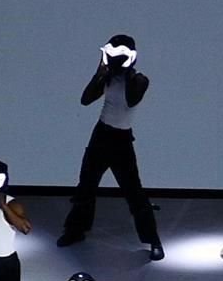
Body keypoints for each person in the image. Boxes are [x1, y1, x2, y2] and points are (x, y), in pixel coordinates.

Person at [56, 34, 164, 261]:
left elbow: (132, 99)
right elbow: (85, 99)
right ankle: (75, 231)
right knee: (86, 186)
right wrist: (101, 71)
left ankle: (153, 240)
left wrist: (124, 70)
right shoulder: (107, 77)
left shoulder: (139, 80)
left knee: (134, 192)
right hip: (101, 135)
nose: (114, 60)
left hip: (122, 140)